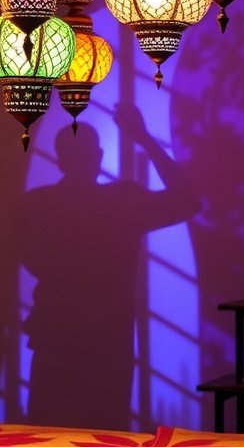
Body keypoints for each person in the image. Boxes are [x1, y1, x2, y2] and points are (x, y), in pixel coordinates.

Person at [19, 103, 201, 429]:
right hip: (108, 344)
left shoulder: (37, 205)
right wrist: (143, 137)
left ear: (60, 159)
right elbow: (187, 200)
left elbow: (26, 257)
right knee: (104, 443)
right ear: (99, 156)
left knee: (45, 440)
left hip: (54, 338)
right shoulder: (123, 202)